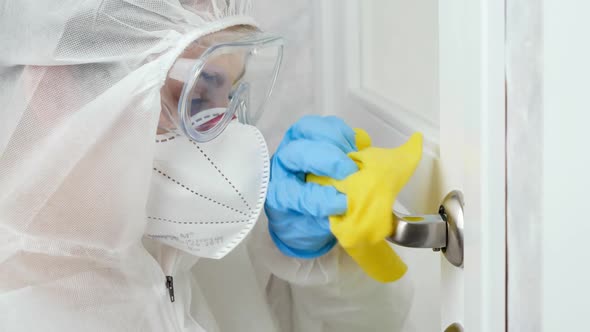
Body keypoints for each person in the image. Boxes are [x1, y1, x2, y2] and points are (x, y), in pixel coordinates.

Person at [0, 1, 413, 331]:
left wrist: (317, 261)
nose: (225, 135)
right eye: (196, 99)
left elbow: (371, 323)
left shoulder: (199, 243)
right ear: (51, 86)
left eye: (231, 96)